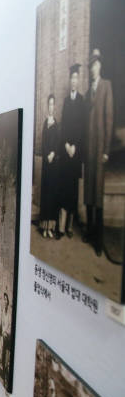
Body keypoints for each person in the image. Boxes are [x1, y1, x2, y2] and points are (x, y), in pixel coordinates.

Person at [83, 48, 113, 257]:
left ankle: (98, 241)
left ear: (100, 66)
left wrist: (106, 150)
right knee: (89, 194)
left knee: (98, 194)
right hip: (88, 151)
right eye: (91, 65)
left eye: (96, 64)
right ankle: (90, 232)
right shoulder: (88, 91)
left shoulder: (106, 87)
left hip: (100, 150)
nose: (93, 68)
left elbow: (109, 119)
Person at [57, 64, 86, 240]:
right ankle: (61, 227)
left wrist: (75, 146)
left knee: (73, 191)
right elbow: (65, 126)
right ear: (69, 81)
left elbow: (81, 127)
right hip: (66, 151)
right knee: (65, 189)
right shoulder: (67, 101)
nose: (74, 81)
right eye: (72, 78)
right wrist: (67, 144)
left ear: (78, 80)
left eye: (76, 78)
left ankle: (69, 227)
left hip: (76, 153)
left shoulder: (81, 100)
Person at [39, 94, 60, 238]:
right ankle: (44, 227)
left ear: (55, 106)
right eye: (49, 104)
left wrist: (53, 153)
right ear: (47, 106)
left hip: (54, 165)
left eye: (53, 104)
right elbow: (43, 143)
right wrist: (47, 154)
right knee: (45, 194)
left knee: (52, 194)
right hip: (46, 164)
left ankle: (51, 228)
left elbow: (58, 143)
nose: (51, 107)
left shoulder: (57, 125)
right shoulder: (45, 123)